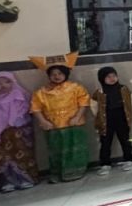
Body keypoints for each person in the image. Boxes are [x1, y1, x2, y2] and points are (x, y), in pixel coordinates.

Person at [29, 53, 90, 183]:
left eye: (60, 73)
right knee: (55, 151)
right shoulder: (41, 92)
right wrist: (43, 121)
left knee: (74, 149)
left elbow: (84, 103)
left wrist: (77, 117)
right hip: (53, 126)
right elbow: (35, 108)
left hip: (73, 124)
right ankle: (56, 173)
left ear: (66, 74)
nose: (56, 76)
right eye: (53, 74)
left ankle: (74, 172)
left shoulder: (76, 88)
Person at [0, 72, 39, 193]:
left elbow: (24, 110)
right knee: (2, 156)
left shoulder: (18, 95)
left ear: (13, 82)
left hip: (17, 131)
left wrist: (12, 122)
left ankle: (26, 179)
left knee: (20, 154)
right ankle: (7, 181)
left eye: (7, 82)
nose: (3, 86)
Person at [92, 66, 132, 175]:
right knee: (105, 142)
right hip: (106, 120)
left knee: (125, 140)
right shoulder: (99, 92)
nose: (112, 79)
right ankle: (105, 164)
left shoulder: (124, 89)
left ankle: (128, 160)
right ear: (102, 79)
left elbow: (130, 102)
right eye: (108, 77)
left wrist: (128, 115)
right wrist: (100, 119)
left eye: (114, 76)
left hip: (122, 118)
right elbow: (94, 107)